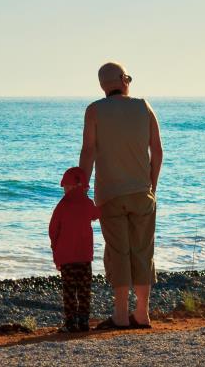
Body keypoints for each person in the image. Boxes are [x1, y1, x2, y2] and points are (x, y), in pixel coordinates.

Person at [79, 62, 163, 330]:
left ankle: (120, 314)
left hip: (110, 194)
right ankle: (142, 313)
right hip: (141, 192)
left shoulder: (94, 111)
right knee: (142, 251)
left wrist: (82, 190)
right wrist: (152, 185)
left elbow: (88, 152)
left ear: (103, 85)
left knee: (118, 253)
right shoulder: (143, 106)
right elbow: (157, 151)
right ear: (124, 80)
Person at [49, 166, 101, 333]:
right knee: (84, 291)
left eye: (65, 187)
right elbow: (96, 214)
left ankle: (71, 323)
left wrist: (55, 253)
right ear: (83, 186)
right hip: (85, 257)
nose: (64, 190)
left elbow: (53, 230)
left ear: (71, 187)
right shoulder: (87, 203)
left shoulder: (62, 205)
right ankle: (84, 322)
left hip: (66, 258)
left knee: (70, 291)